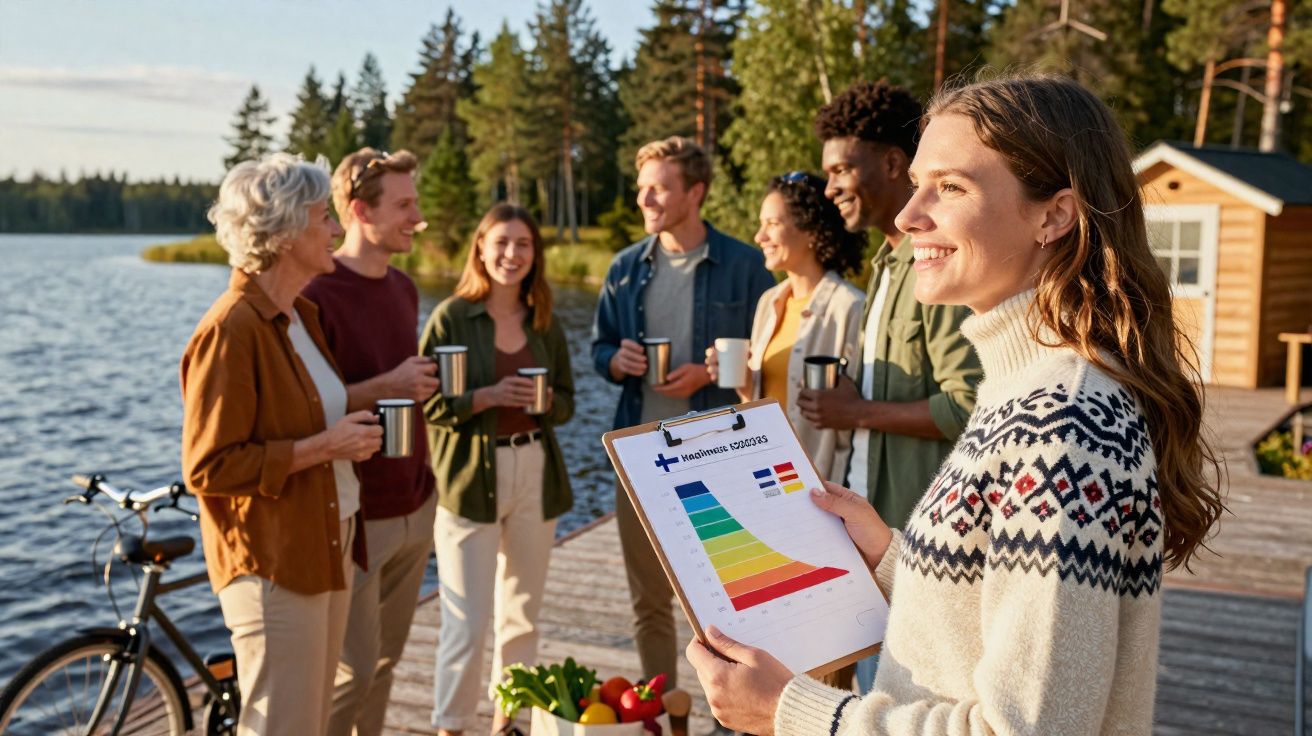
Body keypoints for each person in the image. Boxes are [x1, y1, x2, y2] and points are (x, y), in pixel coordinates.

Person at [685, 73, 1225, 735]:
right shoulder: (1027, 387)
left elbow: (1026, 730)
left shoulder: (1066, 424)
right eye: (917, 183)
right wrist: (892, 559)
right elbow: (989, 616)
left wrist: (790, 711)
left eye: (951, 187)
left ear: (1054, 215)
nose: (910, 216)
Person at [180, 153, 383, 736]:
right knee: (280, 726)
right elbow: (208, 466)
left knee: (309, 723)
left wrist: (341, 438)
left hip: (325, 543)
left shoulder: (302, 317)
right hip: (273, 562)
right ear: (287, 232)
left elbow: (309, 418)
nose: (337, 229)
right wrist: (324, 447)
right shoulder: (231, 329)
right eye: (324, 218)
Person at [797, 82, 982, 690]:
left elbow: (969, 406)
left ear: (894, 163)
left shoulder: (935, 265)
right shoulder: (883, 264)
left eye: (842, 170)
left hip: (917, 549)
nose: (829, 188)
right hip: (872, 540)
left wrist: (858, 410)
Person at [592, 136, 775, 687]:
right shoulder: (624, 268)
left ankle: (741, 711)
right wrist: (615, 360)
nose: (645, 199)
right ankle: (662, 715)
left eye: (659, 188)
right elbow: (600, 347)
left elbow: (768, 356)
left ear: (695, 192)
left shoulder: (747, 266)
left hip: (717, 457)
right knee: (648, 601)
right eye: (642, 188)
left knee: (731, 599)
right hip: (638, 459)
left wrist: (712, 373)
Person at [422, 204, 575, 736]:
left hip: (535, 471)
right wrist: (484, 397)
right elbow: (428, 404)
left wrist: (547, 403)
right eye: (502, 242)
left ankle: (507, 723)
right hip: (469, 479)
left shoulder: (544, 321)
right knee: (465, 621)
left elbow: (567, 402)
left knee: (522, 614)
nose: (512, 254)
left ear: (536, 254)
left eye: (523, 244)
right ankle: (451, 727)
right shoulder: (451, 318)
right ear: (481, 249)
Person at [301, 148, 439, 736]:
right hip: (357, 514)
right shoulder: (315, 292)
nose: (417, 217)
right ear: (359, 210)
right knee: (350, 673)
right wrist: (388, 385)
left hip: (416, 500)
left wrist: (417, 386)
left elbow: (398, 385)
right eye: (404, 205)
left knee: (385, 662)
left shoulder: (404, 287)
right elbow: (306, 409)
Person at [706, 172, 866, 483]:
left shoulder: (850, 307)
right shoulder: (770, 301)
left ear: (811, 230)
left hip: (821, 481)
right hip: (766, 475)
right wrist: (743, 379)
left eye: (772, 224)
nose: (759, 236)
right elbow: (761, 402)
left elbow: (855, 413)